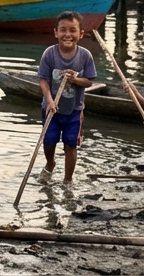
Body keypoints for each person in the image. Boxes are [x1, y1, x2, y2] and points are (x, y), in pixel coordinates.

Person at [37, 11, 97, 182]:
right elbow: (43, 79)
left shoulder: (85, 56)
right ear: (56, 32)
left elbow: (89, 82)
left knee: (70, 144)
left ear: (81, 34)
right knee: (49, 141)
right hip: (51, 109)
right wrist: (49, 101)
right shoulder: (49, 53)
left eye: (72, 30)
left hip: (74, 110)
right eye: (63, 30)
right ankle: (50, 164)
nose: (68, 35)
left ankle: (67, 180)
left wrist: (75, 79)